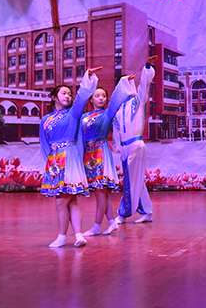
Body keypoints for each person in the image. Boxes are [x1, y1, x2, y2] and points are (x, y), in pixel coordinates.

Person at [39, 67, 101, 248]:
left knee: (61, 202)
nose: (68, 96)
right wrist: (48, 168)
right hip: (54, 162)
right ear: (54, 97)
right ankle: (78, 235)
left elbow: (82, 96)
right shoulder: (45, 120)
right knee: (72, 201)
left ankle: (62, 237)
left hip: (70, 157)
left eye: (69, 94)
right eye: (63, 93)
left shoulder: (73, 113)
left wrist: (88, 78)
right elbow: (44, 145)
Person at [81, 74, 134, 236]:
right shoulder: (84, 117)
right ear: (91, 99)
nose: (101, 98)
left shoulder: (107, 113)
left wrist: (124, 82)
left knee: (100, 191)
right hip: (88, 155)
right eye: (97, 96)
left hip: (101, 153)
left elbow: (117, 98)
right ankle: (112, 222)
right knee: (101, 193)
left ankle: (97, 226)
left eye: (103, 96)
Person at [112, 56, 158, 224]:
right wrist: (118, 147)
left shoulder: (137, 101)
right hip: (125, 148)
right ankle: (147, 211)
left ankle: (123, 214)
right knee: (136, 180)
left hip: (136, 145)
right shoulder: (118, 109)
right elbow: (116, 131)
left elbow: (144, 86)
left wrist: (147, 67)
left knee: (130, 181)